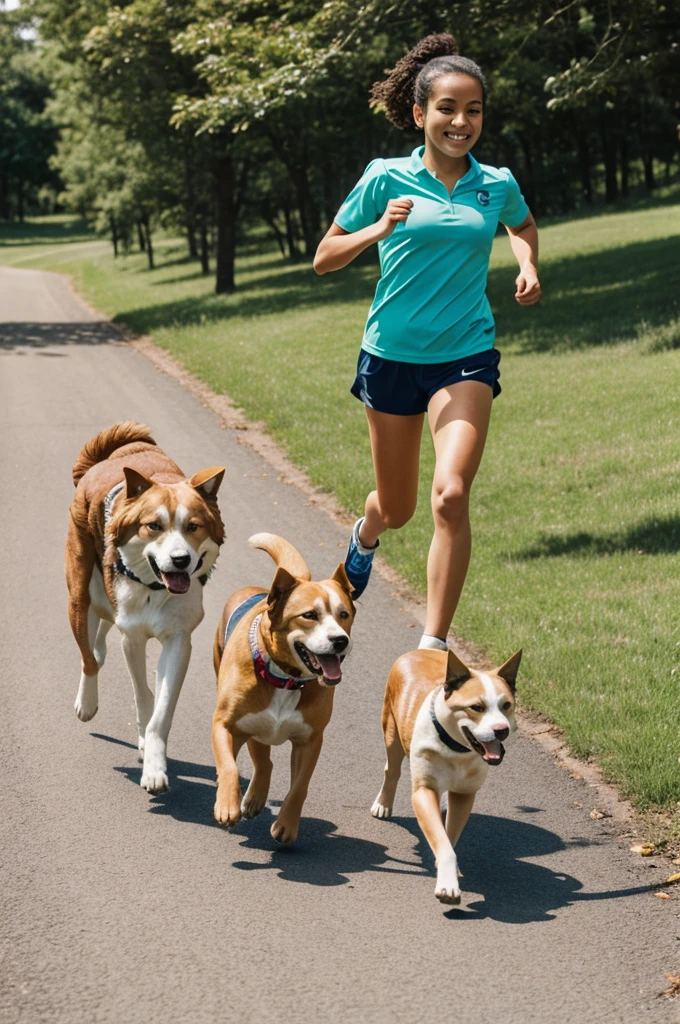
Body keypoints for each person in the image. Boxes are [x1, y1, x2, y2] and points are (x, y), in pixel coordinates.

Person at [313, 33, 541, 652]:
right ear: (420, 114)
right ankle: (365, 536)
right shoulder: (385, 178)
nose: (460, 121)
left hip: (465, 355)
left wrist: (528, 264)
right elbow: (324, 257)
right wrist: (377, 228)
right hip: (390, 358)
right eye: (447, 108)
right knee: (400, 506)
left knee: (451, 494)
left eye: (473, 110)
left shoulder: (495, 183)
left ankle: (433, 643)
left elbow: (520, 224)